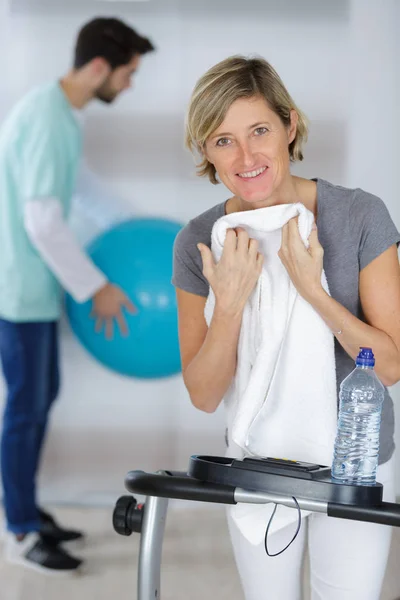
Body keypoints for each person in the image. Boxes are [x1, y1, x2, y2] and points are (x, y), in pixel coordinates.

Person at [172, 55, 400, 600]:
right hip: (257, 462)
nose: (246, 156)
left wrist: (312, 289)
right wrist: (228, 304)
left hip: (357, 461)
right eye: (223, 140)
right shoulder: (200, 241)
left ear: (290, 126)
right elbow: (204, 395)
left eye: (259, 131)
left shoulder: (360, 216)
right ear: (205, 150)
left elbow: (389, 365)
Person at [0, 17, 154, 574]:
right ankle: (19, 532)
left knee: (39, 402)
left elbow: (82, 189)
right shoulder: (45, 117)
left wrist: (148, 233)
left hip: (37, 290)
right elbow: (41, 220)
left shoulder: (61, 117)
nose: (129, 85)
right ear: (98, 67)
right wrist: (98, 288)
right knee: (25, 410)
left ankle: (26, 512)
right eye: (128, 73)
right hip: (18, 291)